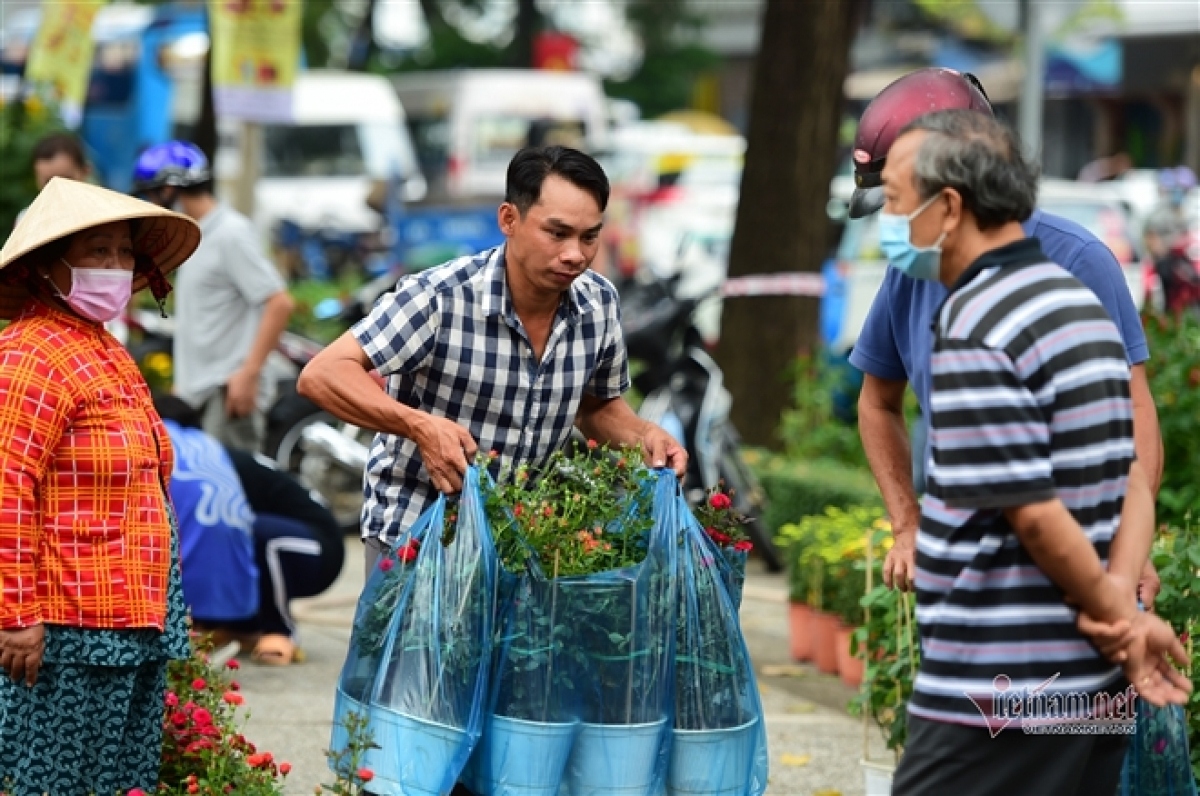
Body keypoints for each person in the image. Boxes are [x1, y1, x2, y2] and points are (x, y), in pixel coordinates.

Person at [878, 108, 1191, 796]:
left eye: (896, 202)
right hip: (1093, 686)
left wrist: (1115, 614)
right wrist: (1123, 615)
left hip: (998, 689)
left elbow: (1033, 513)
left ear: (949, 207)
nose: (888, 221)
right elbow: (1134, 476)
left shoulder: (974, 321)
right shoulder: (1079, 299)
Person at [845, 68, 1163, 603]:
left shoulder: (1076, 262)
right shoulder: (910, 273)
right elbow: (878, 404)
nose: (892, 220)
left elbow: (1133, 412)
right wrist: (907, 525)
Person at [297, 145, 687, 578]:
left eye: (589, 236)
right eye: (557, 233)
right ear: (509, 220)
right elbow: (323, 373)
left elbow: (595, 406)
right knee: (417, 650)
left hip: (523, 544)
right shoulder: (439, 297)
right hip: (419, 537)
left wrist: (646, 436)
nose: (575, 253)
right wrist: (418, 426)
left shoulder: (599, 304)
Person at [0, 177, 200, 793]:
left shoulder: (102, 349)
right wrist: (15, 614)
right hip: (66, 626)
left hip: (131, 618)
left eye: (122, 252)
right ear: (47, 268)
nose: (115, 267)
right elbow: (6, 488)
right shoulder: (30, 354)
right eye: (97, 253)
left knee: (116, 782)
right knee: (56, 783)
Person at [154, 394, 345, 666]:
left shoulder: (198, 458)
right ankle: (240, 627)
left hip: (318, 547)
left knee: (252, 531)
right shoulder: (204, 454)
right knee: (234, 540)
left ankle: (280, 630)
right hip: (280, 547)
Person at [133, 140, 295, 453]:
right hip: (200, 392)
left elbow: (279, 302)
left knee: (232, 493)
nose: (151, 202)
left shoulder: (230, 232)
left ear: (169, 189)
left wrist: (248, 374)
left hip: (227, 392)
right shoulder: (196, 235)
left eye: (151, 193)